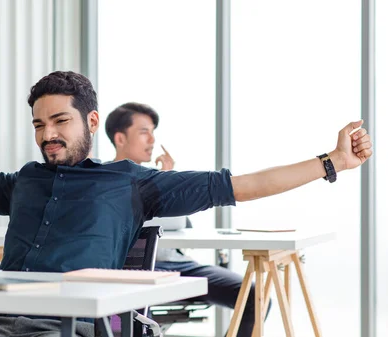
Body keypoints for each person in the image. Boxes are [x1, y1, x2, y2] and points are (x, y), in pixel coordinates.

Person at [0, 71, 372, 337]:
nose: (48, 135)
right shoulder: (22, 181)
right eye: (39, 125)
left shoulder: (133, 183)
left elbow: (243, 185)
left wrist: (331, 162)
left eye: (60, 122)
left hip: (67, 328)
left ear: (90, 123)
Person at [105, 102, 268, 336]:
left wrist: (167, 180)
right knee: (134, 316)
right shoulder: (104, 182)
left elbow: (180, 227)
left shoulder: (157, 180)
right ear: (120, 139)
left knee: (255, 296)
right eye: (144, 132)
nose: (152, 140)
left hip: (180, 265)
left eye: (153, 132)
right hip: (139, 269)